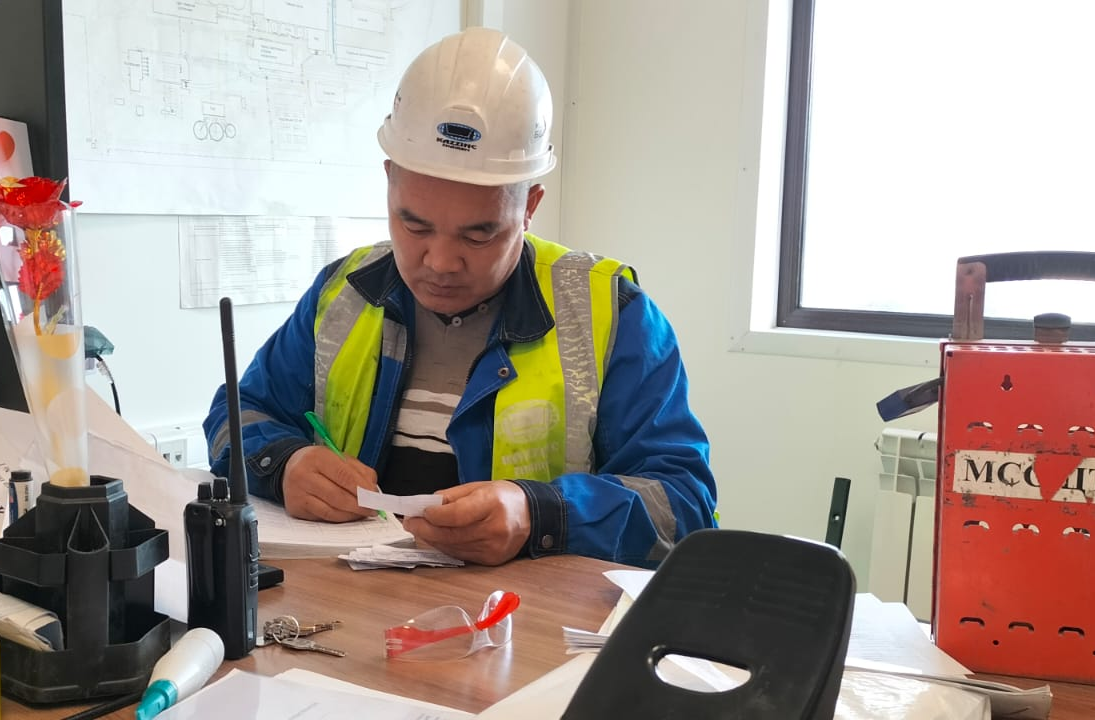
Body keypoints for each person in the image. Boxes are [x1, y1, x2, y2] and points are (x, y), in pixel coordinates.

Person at [203, 27, 715, 568]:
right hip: (352, 603)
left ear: (530, 205)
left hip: (525, 615)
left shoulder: (612, 315)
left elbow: (683, 505)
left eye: (478, 234)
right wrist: (283, 464)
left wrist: (538, 514)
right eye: (415, 225)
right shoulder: (344, 292)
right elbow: (234, 417)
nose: (441, 262)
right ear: (389, 181)